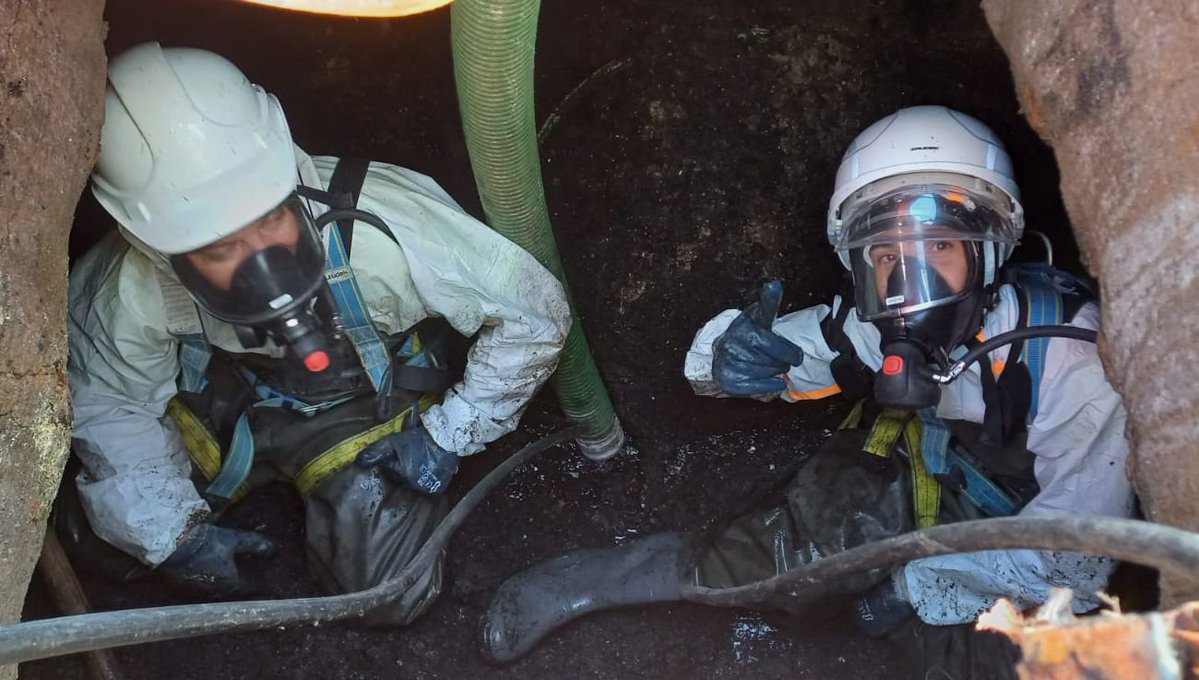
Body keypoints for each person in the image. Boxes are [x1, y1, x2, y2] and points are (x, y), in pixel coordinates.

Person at [480, 105, 1133, 676]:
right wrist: (723, 359)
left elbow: (1073, 556)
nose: (911, 277)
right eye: (886, 254)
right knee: (787, 561)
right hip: (922, 474)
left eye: (938, 244)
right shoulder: (879, 328)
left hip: (1028, 526)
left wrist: (914, 584)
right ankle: (607, 580)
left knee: (1008, 661)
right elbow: (785, 356)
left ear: (990, 249)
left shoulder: (1072, 362)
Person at [64, 42, 571, 624]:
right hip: (222, 400)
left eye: (271, 218)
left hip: (360, 402)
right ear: (156, 245)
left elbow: (533, 316)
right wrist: (173, 536)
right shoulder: (125, 288)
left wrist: (446, 436)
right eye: (220, 247)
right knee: (97, 536)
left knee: (386, 590)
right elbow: (109, 401)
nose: (261, 258)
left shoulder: (386, 225)